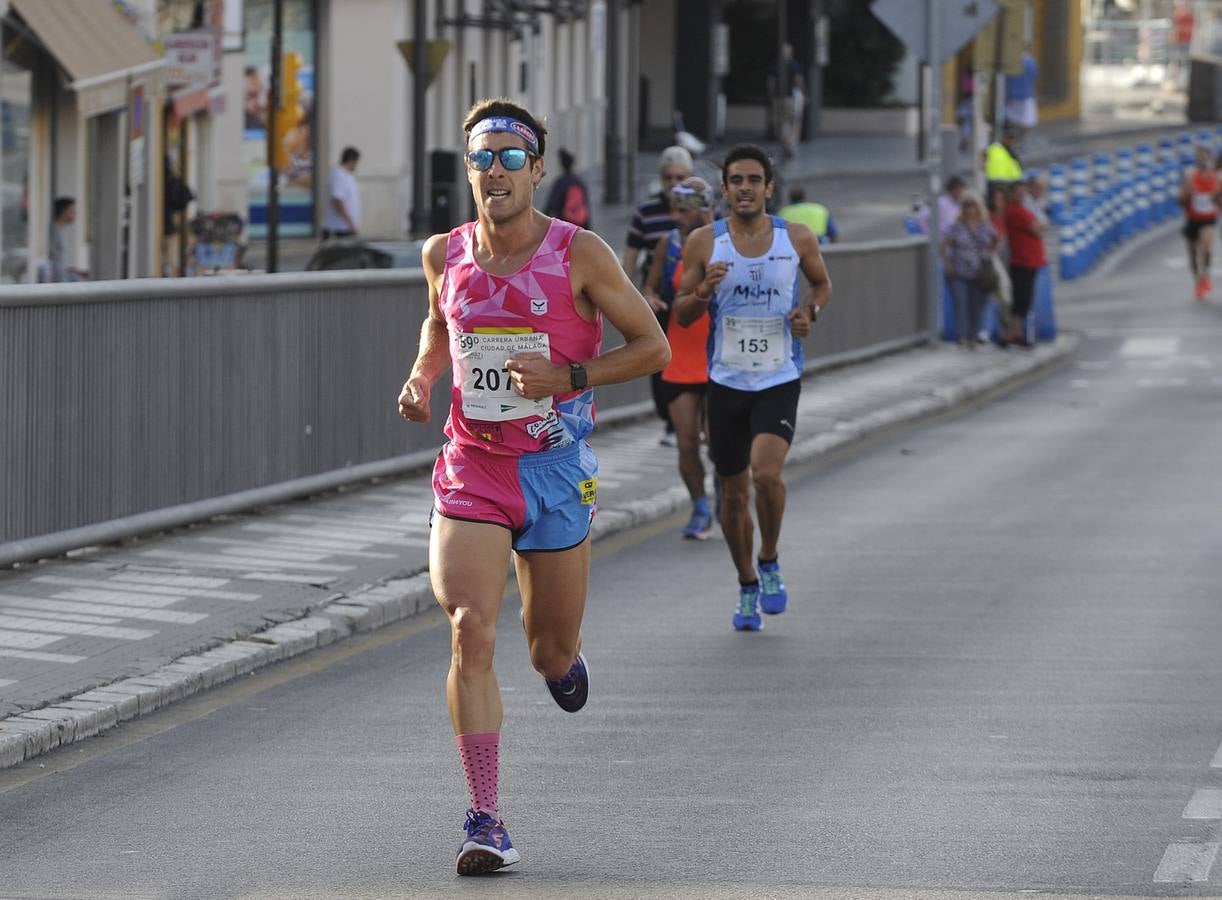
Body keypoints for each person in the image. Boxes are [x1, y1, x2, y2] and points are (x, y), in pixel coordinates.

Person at [396, 98, 669, 876]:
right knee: (469, 628)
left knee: (547, 651)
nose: (495, 172)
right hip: (472, 465)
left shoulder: (580, 254)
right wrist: (423, 375)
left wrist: (569, 376)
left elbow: (651, 346)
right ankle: (486, 818)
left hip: (554, 473)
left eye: (511, 158)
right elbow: (439, 326)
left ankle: (563, 663)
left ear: (538, 169)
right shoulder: (442, 254)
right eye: (481, 158)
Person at [673, 144, 831, 631]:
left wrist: (810, 313)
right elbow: (680, 313)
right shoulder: (704, 243)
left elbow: (821, 285)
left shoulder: (796, 239)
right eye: (736, 180)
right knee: (733, 494)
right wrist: (703, 290)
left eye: (753, 180)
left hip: (779, 378)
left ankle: (769, 559)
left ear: (769, 188)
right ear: (724, 190)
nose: (744, 188)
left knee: (766, 475)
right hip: (725, 382)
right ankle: (746, 583)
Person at [644, 176, 717, 539]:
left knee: (718, 440)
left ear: (707, 209)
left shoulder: (726, 242)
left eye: (686, 210)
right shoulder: (667, 245)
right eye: (677, 209)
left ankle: (727, 491)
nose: (679, 217)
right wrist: (652, 298)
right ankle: (700, 505)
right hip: (681, 352)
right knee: (687, 440)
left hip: (719, 353)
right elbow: (650, 287)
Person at [622, 145, 693, 446]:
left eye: (680, 177)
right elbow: (630, 255)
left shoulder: (700, 211)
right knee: (658, 360)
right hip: (658, 300)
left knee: (692, 357)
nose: (674, 184)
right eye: (668, 177)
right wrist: (630, 295)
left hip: (693, 298)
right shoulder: (647, 211)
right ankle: (671, 422)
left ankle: (692, 421)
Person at [940, 192, 999, 349]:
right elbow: (943, 245)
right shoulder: (956, 226)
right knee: (961, 304)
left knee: (977, 306)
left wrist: (989, 255)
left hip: (979, 273)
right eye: (966, 207)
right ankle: (962, 336)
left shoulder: (985, 226)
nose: (969, 210)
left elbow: (995, 239)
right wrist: (947, 264)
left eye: (972, 206)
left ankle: (974, 335)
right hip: (959, 271)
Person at [1001, 180, 1046, 347]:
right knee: (1021, 301)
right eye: (1018, 192)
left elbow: (1040, 226)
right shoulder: (1016, 212)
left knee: (1023, 301)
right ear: (1011, 194)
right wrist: (1039, 225)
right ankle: (1009, 334)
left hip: (1030, 260)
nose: (1021, 195)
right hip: (1022, 261)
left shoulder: (1023, 210)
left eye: (1023, 192)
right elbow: (1037, 228)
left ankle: (1016, 333)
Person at [1179, 144, 1220, 300]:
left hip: (1208, 219)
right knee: (1193, 256)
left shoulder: (1217, 179)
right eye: (1199, 157)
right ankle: (1198, 281)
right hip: (1192, 219)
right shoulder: (1190, 177)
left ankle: (1205, 275)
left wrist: (1216, 198)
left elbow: (1219, 202)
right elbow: (1180, 201)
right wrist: (1186, 194)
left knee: (1206, 248)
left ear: (1210, 159)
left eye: (1205, 157)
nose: (1202, 160)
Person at [542, 148, 591, 229]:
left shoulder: (560, 182)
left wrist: (543, 219)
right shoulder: (580, 182)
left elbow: (552, 204)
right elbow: (585, 205)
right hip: (580, 223)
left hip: (565, 223)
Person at [321, 146, 360, 239]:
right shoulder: (338, 175)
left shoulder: (347, 175)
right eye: (356, 162)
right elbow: (337, 200)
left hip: (345, 228)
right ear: (351, 160)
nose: (357, 165)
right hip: (338, 228)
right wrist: (350, 222)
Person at [1004, 49, 1039, 136]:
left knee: (1013, 122)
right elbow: (1035, 79)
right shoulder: (1031, 61)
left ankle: (1015, 141)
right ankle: (1021, 141)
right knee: (1026, 124)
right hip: (1027, 96)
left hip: (1012, 96)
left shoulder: (1011, 61)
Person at [47, 197, 82, 283]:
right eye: (72, 210)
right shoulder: (54, 231)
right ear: (64, 211)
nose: (75, 213)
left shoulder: (59, 230)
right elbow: (54, 260)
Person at [985, 125, 1024, 190]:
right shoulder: (995, 148)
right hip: (998, 184)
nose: (1011, 141)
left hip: (1012, 185)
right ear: (1003, 137)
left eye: (1013, 138)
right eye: (1009, 137)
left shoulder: (1012, 152)